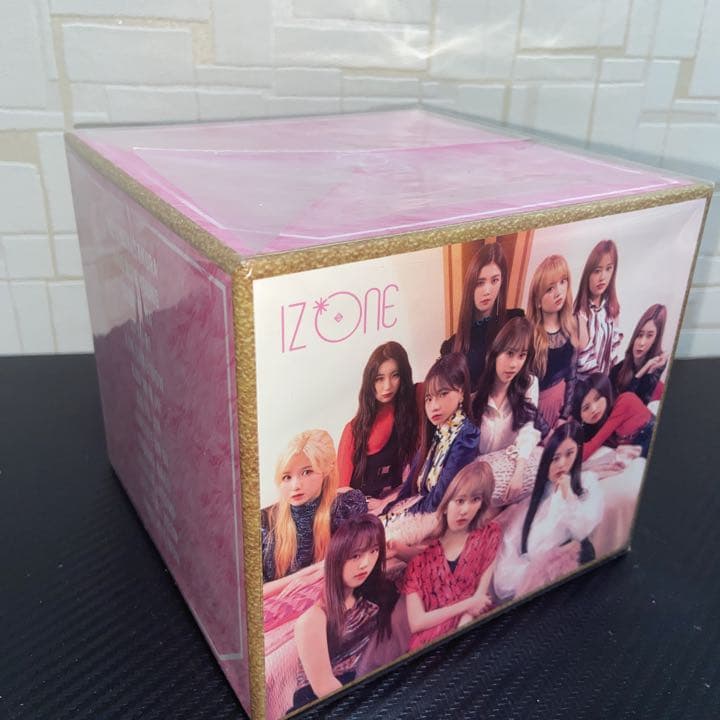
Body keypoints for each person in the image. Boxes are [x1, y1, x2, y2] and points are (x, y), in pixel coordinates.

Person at [291, 514, 397, 709]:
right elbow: (324, 687)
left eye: (374, 551)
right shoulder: (313, 619)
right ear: (336, 559)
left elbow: (421, 573)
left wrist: (400, 549)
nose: (365, 564)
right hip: (320, 702)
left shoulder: (374, 594)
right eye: (355, 556)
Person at [493, 420, 603, 601]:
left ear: (578, 452)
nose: (562, 464)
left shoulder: (587, 483)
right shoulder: (532, 503)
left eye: (569, 454)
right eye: (555, 458)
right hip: (529, 583)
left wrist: (568, 495)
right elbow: (504, 575)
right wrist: (533, 574)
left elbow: (583, 529)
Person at [401, 461, 501, 651]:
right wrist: (467, 604)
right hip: (428, 646)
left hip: (472, 633)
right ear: (446, 504)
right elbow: (417, 622)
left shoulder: (489, 534)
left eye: (475, 500)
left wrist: (463, 626)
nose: (465, 510)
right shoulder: (419, 563)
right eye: (460, 501)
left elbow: (481, 599)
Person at [262, 430, 367, 584]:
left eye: (306, 472)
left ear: (327, 469)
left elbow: (359, 561)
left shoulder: (346, 508)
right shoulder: (264, 524)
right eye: (287, 477)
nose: (296, 486)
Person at [385, 352, 479, 516]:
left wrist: (404, 513)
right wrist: (390, 509)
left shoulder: (466, 435)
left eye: (443, 394)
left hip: (436, 516)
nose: (434, 406)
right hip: (418, 510)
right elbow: (409, 487)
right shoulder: (437, 432)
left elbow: (440, 498)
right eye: (429, 398)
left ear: (461, 393)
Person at [471, 317, 542, 507]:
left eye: (521, 356)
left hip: (510, 473)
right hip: (479, 475)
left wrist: (519, 471)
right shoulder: (476, 395)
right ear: (496, 352)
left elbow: (528, 431)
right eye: (509, 353)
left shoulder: (529, 384)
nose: (514, 365)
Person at [337, 342, 420, 502]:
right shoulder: (352, 430)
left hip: (398, 502)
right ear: (370, 381)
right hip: (362, 510)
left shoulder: (412, 407)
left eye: (395, 375)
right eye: (379, 378)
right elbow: (341, 495)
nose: (387, 386)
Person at [440, 242, 524, 386]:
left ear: (502, 282)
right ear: (470, 286)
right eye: (480, 283)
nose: (487, 291)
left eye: (495, 280)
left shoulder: (515, 323)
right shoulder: (452, 346)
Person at [526, 254, 583, 429]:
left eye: (563, 281)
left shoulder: (571, 326)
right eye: (550, 288)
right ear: (537, 301)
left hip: (563, 408)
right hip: (537, 412)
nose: (558, 292)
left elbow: (572, 375)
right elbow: (524, 394)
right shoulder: (530, 336)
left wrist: (565, 415)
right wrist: (545, 430)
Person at [573, 373, 655, 460]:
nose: (594, 409)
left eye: (597, 398)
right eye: (586, 408)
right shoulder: (599, 427)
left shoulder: (624, 401)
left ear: (605, 393)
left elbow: (587, 451)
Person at [574, 239, 622, 378]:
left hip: (604, 384)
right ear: (588, 274)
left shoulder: (612, 309)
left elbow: (613, 352)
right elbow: (584, 362)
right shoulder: (580, 313)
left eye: (608, 269)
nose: (603, 277)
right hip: (583, 386)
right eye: (597, 271)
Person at [609, 304, 667, 405]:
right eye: (640, 335)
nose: (641, 343)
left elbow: (641, 403)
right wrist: (640, 374)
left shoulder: (656, 365)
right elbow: (624, 404)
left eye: (649, 336)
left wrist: (649, 371)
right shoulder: (617, 371)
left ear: (656, 339)